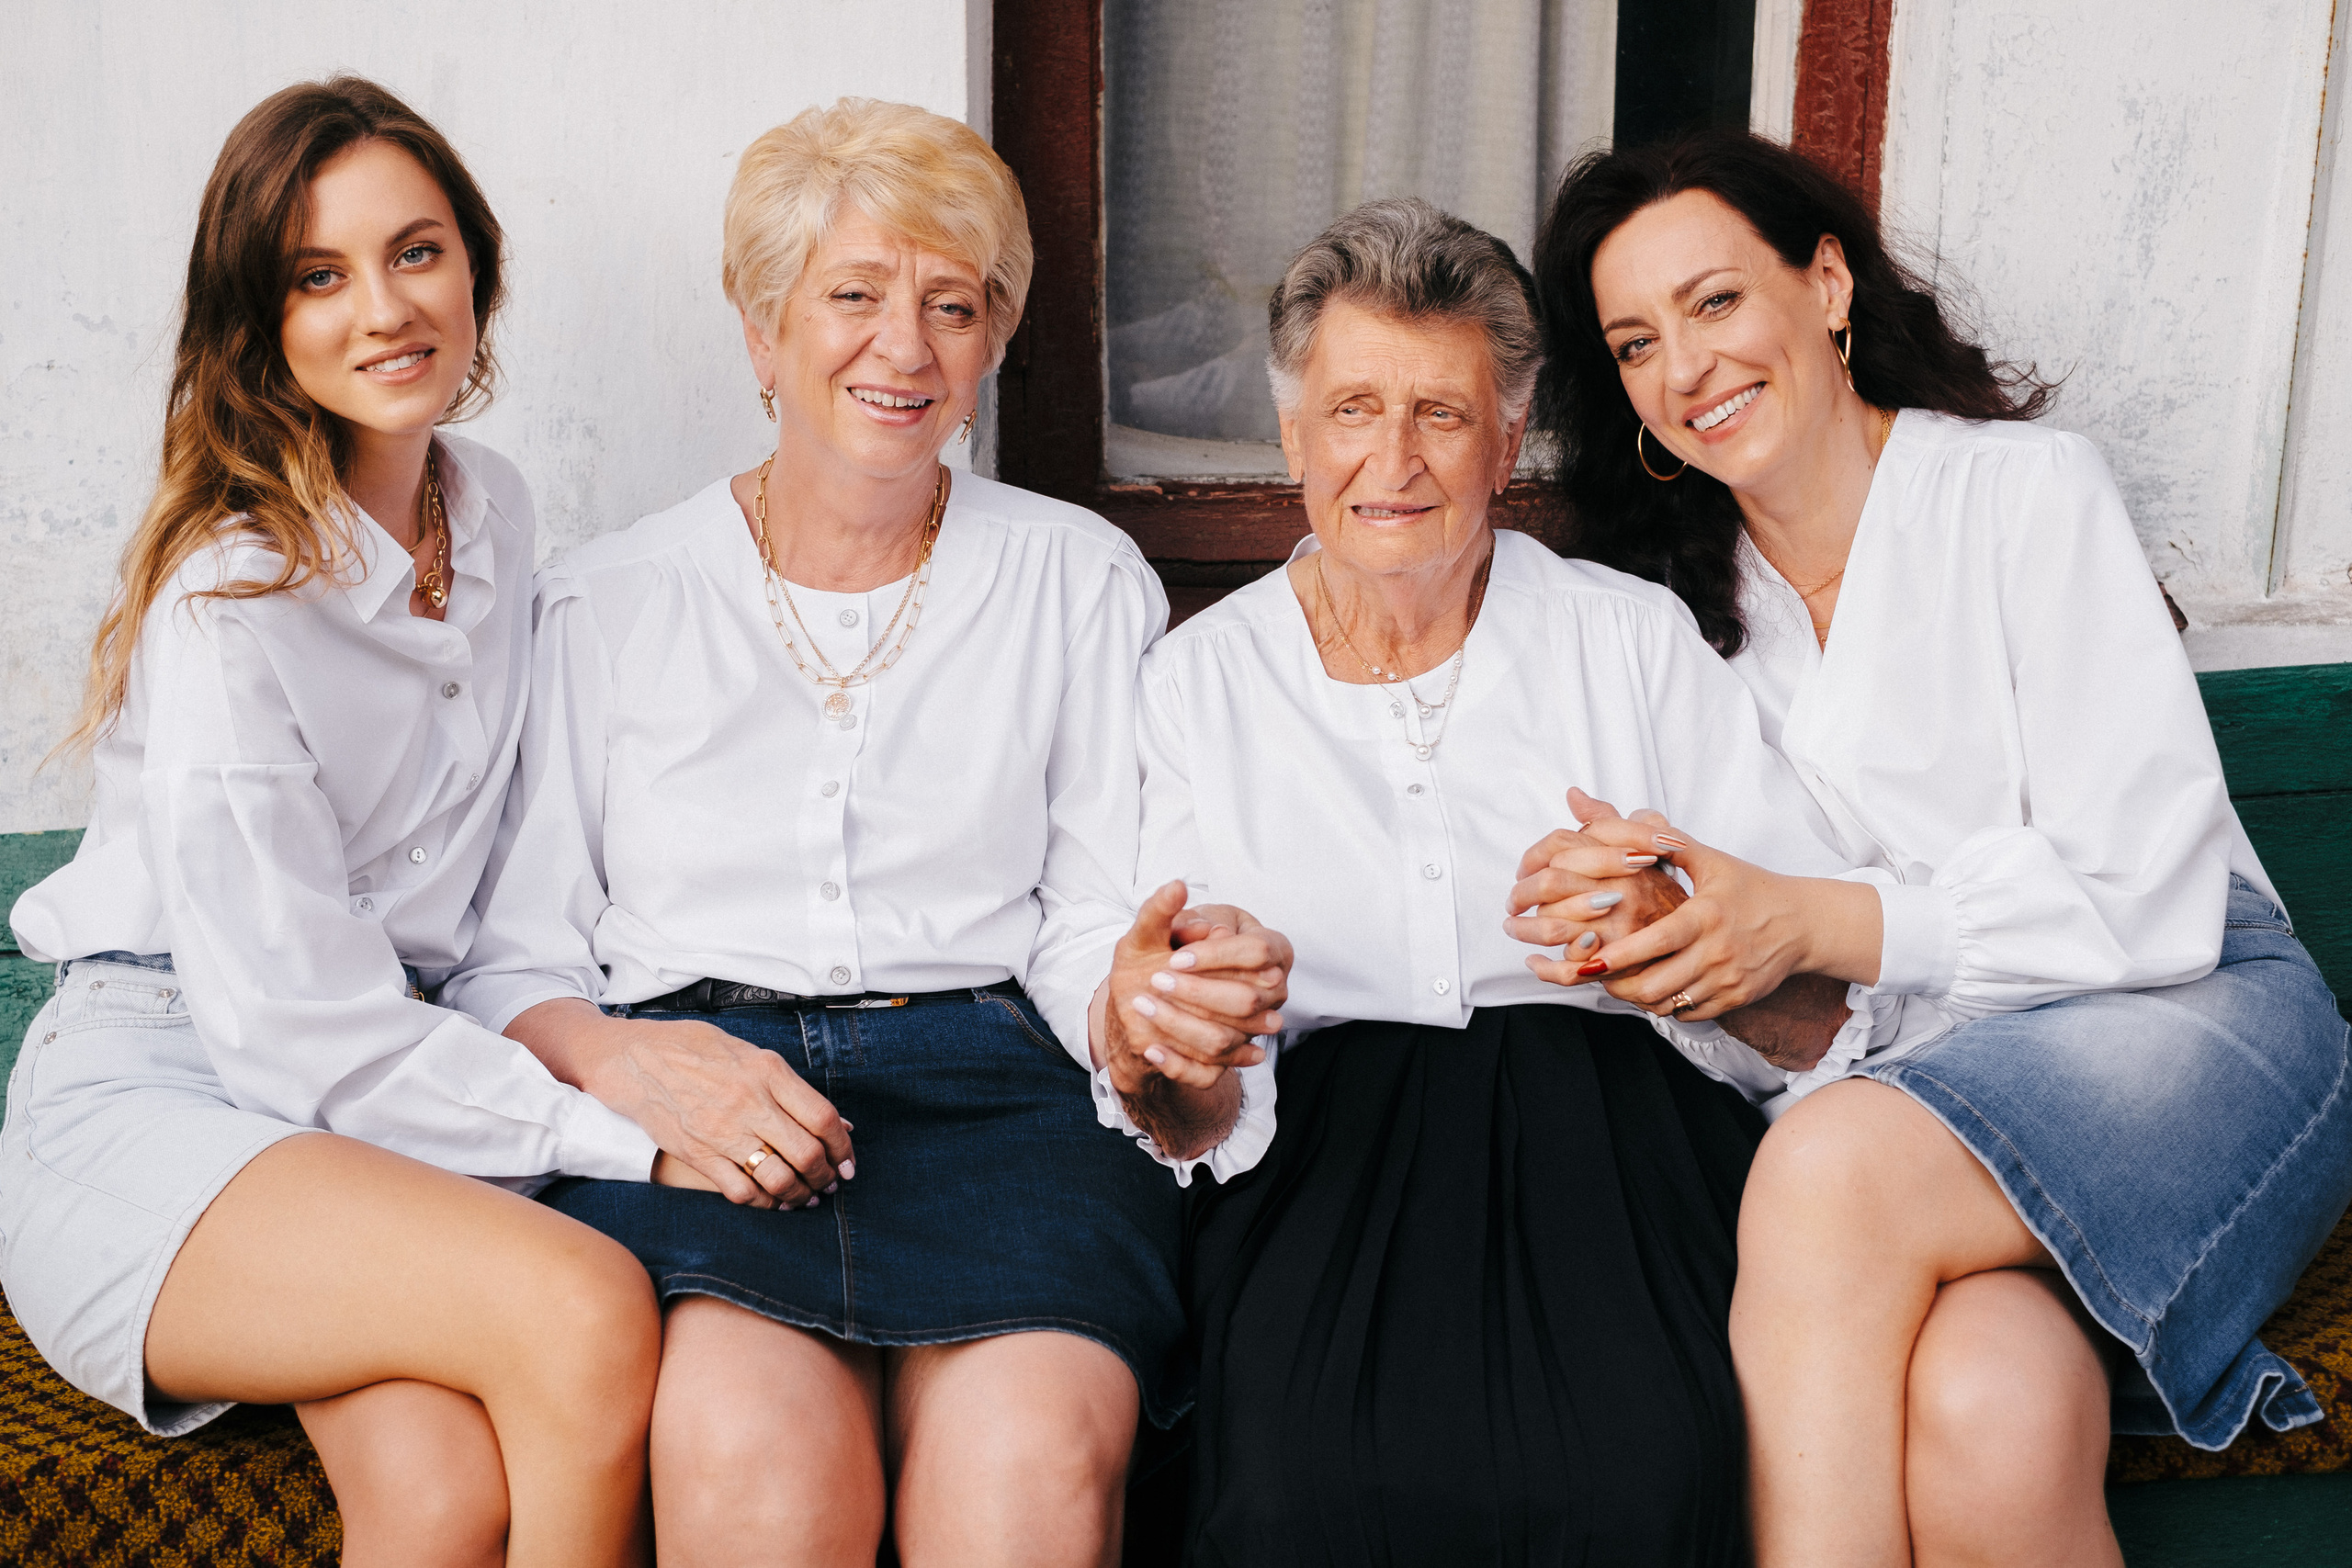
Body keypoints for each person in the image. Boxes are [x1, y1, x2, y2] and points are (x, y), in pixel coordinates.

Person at [443, 97, 1287, 1568]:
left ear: (990, 342)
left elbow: (1089, 915)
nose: (904, 345)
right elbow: (508, 965)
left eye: (951, 305)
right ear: (763, 330)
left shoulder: (1078, 582)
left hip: (1002, 1099)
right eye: (854, 295)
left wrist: (1143, 1002)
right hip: (709, 1108)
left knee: (1023, 1477)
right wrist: (641, 1065)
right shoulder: (607, 600)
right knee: (753, 1473)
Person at [1521, 130, 2352, 1567]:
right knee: (1990, 1409)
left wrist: (1815, 918)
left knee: (1828, 1173)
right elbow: (1811, 1032)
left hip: (2203, 1027)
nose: (1690, 365)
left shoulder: (2025, 496)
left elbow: (2147, 894)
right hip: (1921, 1112)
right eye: (1639, 341)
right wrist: (1685, 950)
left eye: (1718, 302)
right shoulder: (1674, 630)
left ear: (1827, 284)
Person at [1138, 195, 1882, 1568]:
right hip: (1321, 1159)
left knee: (1645, 1479)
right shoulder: (1200, 682)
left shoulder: (1631, 643)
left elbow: (1825, 1021)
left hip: (1623, 1134)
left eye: (1442, 412)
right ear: (1294, 437)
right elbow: (1172, 1091)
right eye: (1354, 408)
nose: (1395, 459)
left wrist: (1683, 941)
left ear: (1506, 443)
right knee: (1302, 1497)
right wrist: (1167, 1030)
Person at [1, 78, 662, 1567]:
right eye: (319, 275)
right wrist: (619, 1132)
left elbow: (487, 906)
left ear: (477, 272)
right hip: (169, 1092)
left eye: (417, 253)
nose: (384, 309)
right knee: (586, 1305)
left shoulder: (489, 507)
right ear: (261, 323)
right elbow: (297, 1030)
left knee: (444, 1497)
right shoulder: (230, 603)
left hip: (369, 1092)